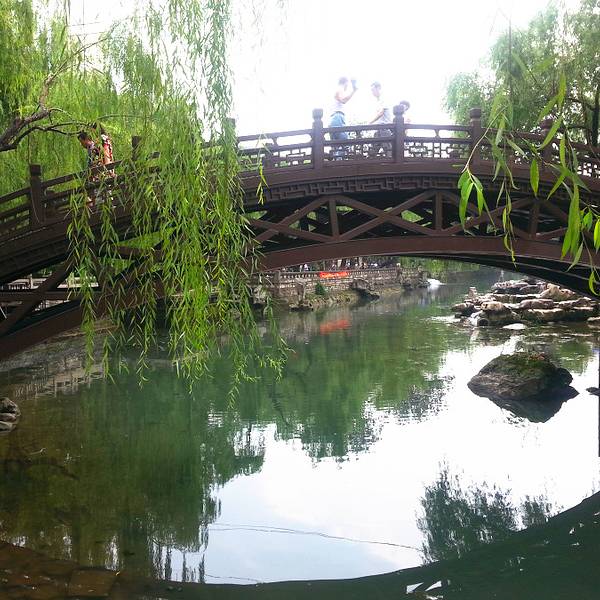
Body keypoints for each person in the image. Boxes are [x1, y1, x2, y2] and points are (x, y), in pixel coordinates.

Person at [329, 76, 357, 157]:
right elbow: (343, 100)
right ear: (346, 83)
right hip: (338, 118)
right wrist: (353, 91)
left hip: (334, 119)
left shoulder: (337, 89)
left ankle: (336, 162)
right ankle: (339, 162)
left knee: (336, 147)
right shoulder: (340, 89)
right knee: (344, 143)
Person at [369, 81, 393, 157]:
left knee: (388, 151)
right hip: (378, 128)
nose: (372, 92)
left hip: (384, 128)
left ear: (378, 88)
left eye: (373, 90)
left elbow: (381, 113)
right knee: (373, 151)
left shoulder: (384, 98)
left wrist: (370, 122)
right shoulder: (378, 101)